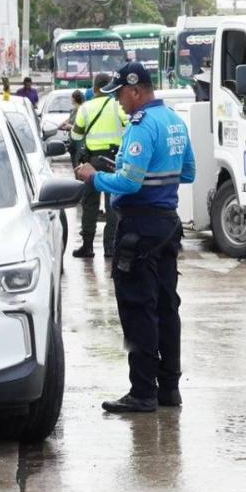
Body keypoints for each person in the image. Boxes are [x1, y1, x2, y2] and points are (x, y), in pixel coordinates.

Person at [73, 61, 195, 414]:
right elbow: (187, 172)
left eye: (121, 96)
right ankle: (169, 388)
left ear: (136, 90)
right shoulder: (174, 120)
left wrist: (94, 178)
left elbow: (129, 184)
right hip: (167, 226)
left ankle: (142, 391)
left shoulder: (142, 125)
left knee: (138, 310)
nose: (119, 103)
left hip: (139, 230)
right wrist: (152, 175)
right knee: (166, 307)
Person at [68, 73, 129, 258]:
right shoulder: (117, 105)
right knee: (113, 204)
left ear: (94, 88)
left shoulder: (85, 108)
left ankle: (87, 246)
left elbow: (76, 136)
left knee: (90, 204)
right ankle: (110, 247)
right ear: (109, 86)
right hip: (114, 161)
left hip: (92, 162)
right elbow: (129, 125)